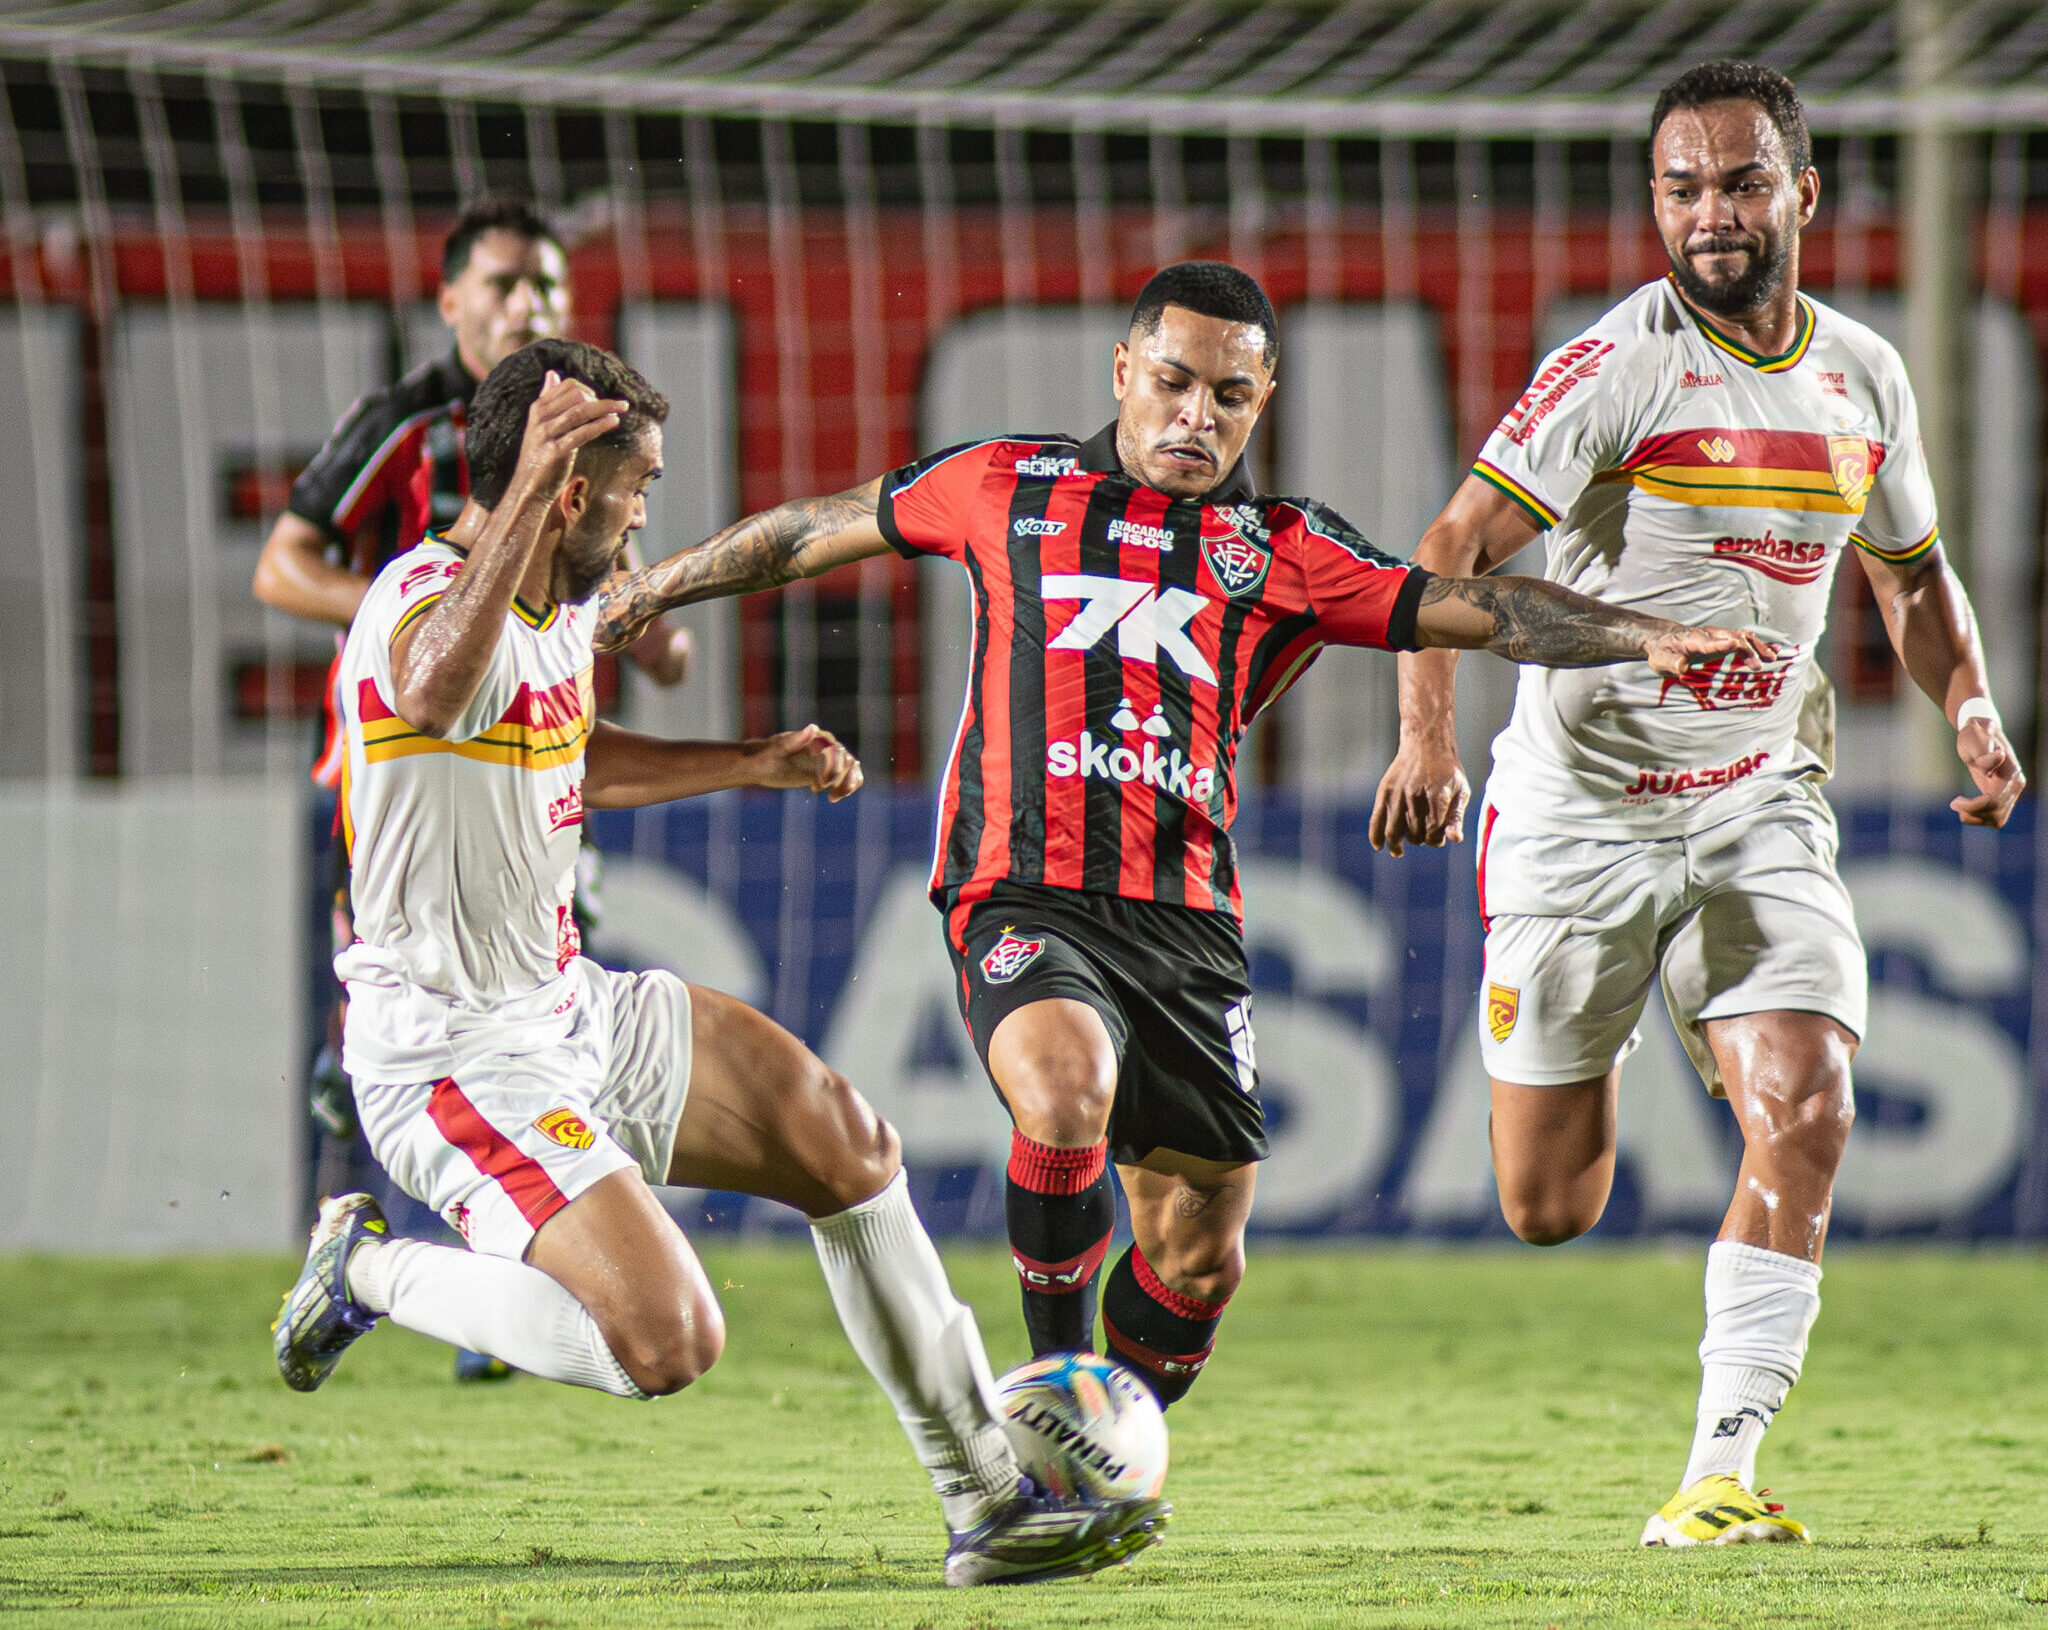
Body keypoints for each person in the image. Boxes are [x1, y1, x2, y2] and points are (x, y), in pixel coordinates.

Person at [590, 260, 1770, 1415]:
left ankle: (1112, 1442)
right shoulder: (1004, 483)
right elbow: (816, 530)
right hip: (1020, 892)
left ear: (1263, 404)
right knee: (1062, 1094)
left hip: (1187, 926)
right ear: (1120, 372)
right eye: (1170, 382)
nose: (1193, 416)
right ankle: (1047, 1407)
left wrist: (1635, 634)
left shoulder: (1283, 548)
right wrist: (655, 588)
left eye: (1228, 397)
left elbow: (1473, 606)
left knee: (1198, 1258)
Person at [271, 337, 1169, 1588]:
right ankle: (364, 1267)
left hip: (568, 1004)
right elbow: (428, 697)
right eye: (635, 488)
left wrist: (744, 758)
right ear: (566, 491)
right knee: (668, 1339)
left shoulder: (551, 611)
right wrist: (531, 484)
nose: (647, 521)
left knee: (842, 1142)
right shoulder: (417, 598)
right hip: (447, 1055)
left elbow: (561, 750)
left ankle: (989, 1498)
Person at [1368, 62, 2025, 1547]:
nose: (1709, 214)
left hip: (1756, 801)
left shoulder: (1864, 372)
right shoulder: (1616, 366)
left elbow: (1908, 572)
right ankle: (1666, 984)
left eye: (1738, 183)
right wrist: (1429, 737)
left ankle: (1716, 1471)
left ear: (1802, 192)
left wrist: (1970, 705)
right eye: (1680, 188)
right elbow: (1451, 548)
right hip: (1577, 813)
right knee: (1549, 1203)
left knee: (1808, 1102)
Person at [255, 198, 688, 1377]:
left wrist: (637, 621)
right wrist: (433, 616)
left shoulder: (596, 445)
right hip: (398, 780)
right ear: (449, 304)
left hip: (537, 764)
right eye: (500, 285)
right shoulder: (401, 426)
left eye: (543, 285)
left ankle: (496, 1280)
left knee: (535, 1025)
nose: (524, 306)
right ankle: (361, 1247)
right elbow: (281, 567)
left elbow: (657, 642)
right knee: (388, 1057)